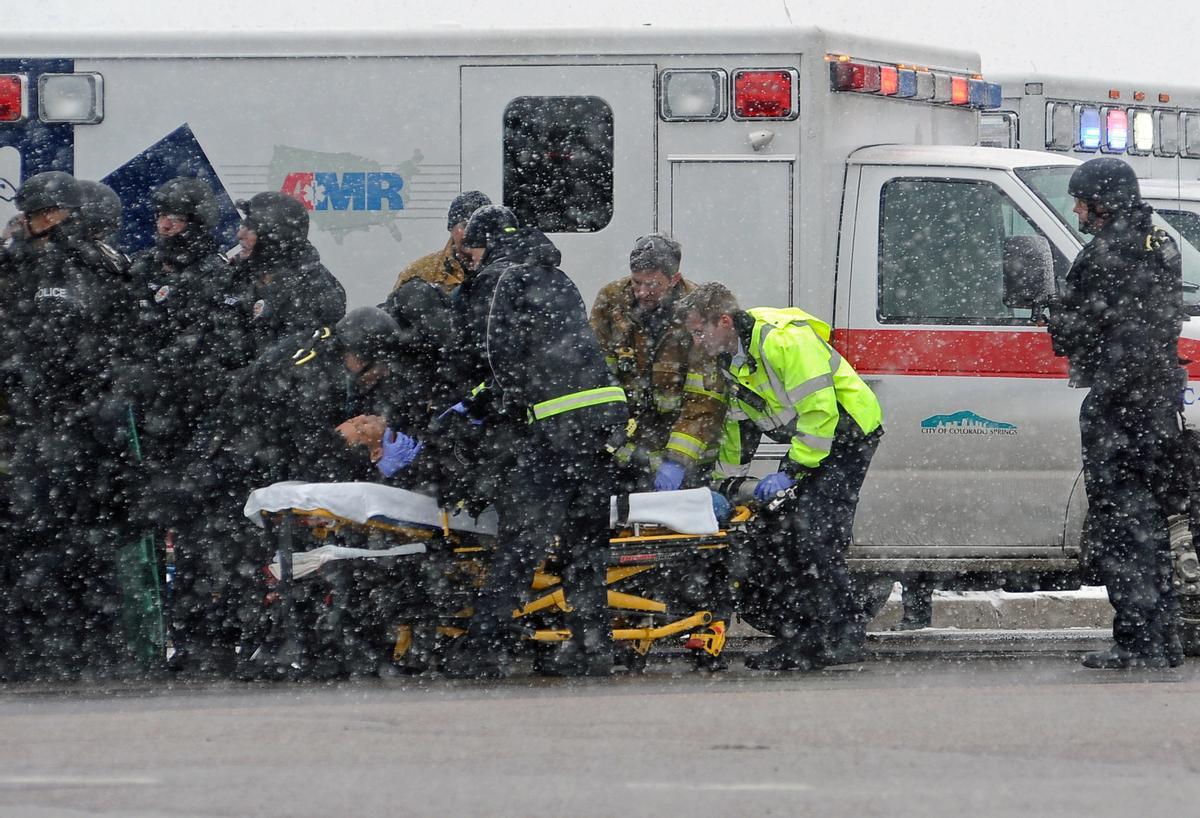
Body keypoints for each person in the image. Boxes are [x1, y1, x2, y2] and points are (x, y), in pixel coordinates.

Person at [397, 205, 630, 678]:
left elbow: (492, 359)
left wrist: (470, 407)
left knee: (520, 544)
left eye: (470, 250)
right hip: (603, 417)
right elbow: (556, 347)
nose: (468, 260)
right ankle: (593, 646)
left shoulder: (497, 280)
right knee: (585, 543)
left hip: (557, 427)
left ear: (485, 245)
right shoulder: (555, 276)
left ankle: (486, 649)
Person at [173, 306, 412, 675]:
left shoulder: (319, 352)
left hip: (233, 455)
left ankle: (220, 642)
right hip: (228, 466)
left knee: (227, 557)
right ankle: (210, 646)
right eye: (380, 368)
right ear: (359, 359)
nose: (382, 377)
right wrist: (346, 444)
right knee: (226, 554)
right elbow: (307, 452)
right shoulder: (311, 377)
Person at [679, 282, 883, 671]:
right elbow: (740, 425)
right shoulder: (731, 357)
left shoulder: (781, 342)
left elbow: (821, 411)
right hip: (812, 442)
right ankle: (807, 632)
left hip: (847, 434)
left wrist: (792, 471)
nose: (696, 340)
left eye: (699, 330)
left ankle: (841, 634)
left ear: (724, 321)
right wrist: (725, 483)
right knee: (780, 531)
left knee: (815, 532)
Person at [1048, 157, 1186, 669]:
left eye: (1082, 200)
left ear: (1103, 203)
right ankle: (1161, 636)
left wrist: (1060, 317)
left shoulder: (1107, 254)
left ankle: (1136, 642)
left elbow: (1082, 332)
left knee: (1121, 527)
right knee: (1148, 522)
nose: (1078, 210)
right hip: (1154, 401)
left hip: (1120, 404)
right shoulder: (1158, 242)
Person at [2, 171, 137, 680]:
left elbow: (63, 347)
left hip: (67, 427)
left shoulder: (68, 266)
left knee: (61, 541)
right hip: (58, 426)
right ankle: (63, 647)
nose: (28, 222)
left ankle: (68, 649)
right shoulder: (43, 261)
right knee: (57, 540)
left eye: (36, 214)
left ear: (58, 215)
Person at [590, 233, 726, 492]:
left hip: (683, 445)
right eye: (636, 282)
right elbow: (596, 373)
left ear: (674, 279)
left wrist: (676, 460)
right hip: (628, 448)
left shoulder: (699, 311)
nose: (642, 292)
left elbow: (704, 400)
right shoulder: (611, 300)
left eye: (652, 285)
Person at [382, 191, 491, 423]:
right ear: (451, 228)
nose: (471, 232)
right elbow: (394, 328)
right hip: (433, 391)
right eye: (464, 224)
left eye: (478, 225)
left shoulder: (505, 273)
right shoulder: (421, 272)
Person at [233, 192, 346, 357]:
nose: (239, 235)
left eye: (250, 229)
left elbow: (293, 366)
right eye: (242, 226)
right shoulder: (239, 272)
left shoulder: (316, 292)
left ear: (274, 238)